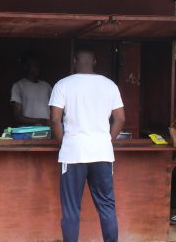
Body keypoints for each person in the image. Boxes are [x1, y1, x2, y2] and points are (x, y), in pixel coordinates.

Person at [48, 47, 125, 242]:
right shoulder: (110, 85)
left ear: (75, 61)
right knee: (107, 206)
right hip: (102, 152)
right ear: (95, 62)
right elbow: (120, 119)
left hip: (73, 153)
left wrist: (63, 143)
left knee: (71, 209)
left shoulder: (62, 85)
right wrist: (107, 140)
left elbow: (55, 120)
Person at [11, 54, 52, 125]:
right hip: (28, 130)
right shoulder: (18, 86)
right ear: (25, 67)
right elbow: (17, 116)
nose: (37, 68)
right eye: (34, 65)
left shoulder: (46, 85)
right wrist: (41, 121)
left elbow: (55, 109)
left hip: (47, 129)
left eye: (38, 65)